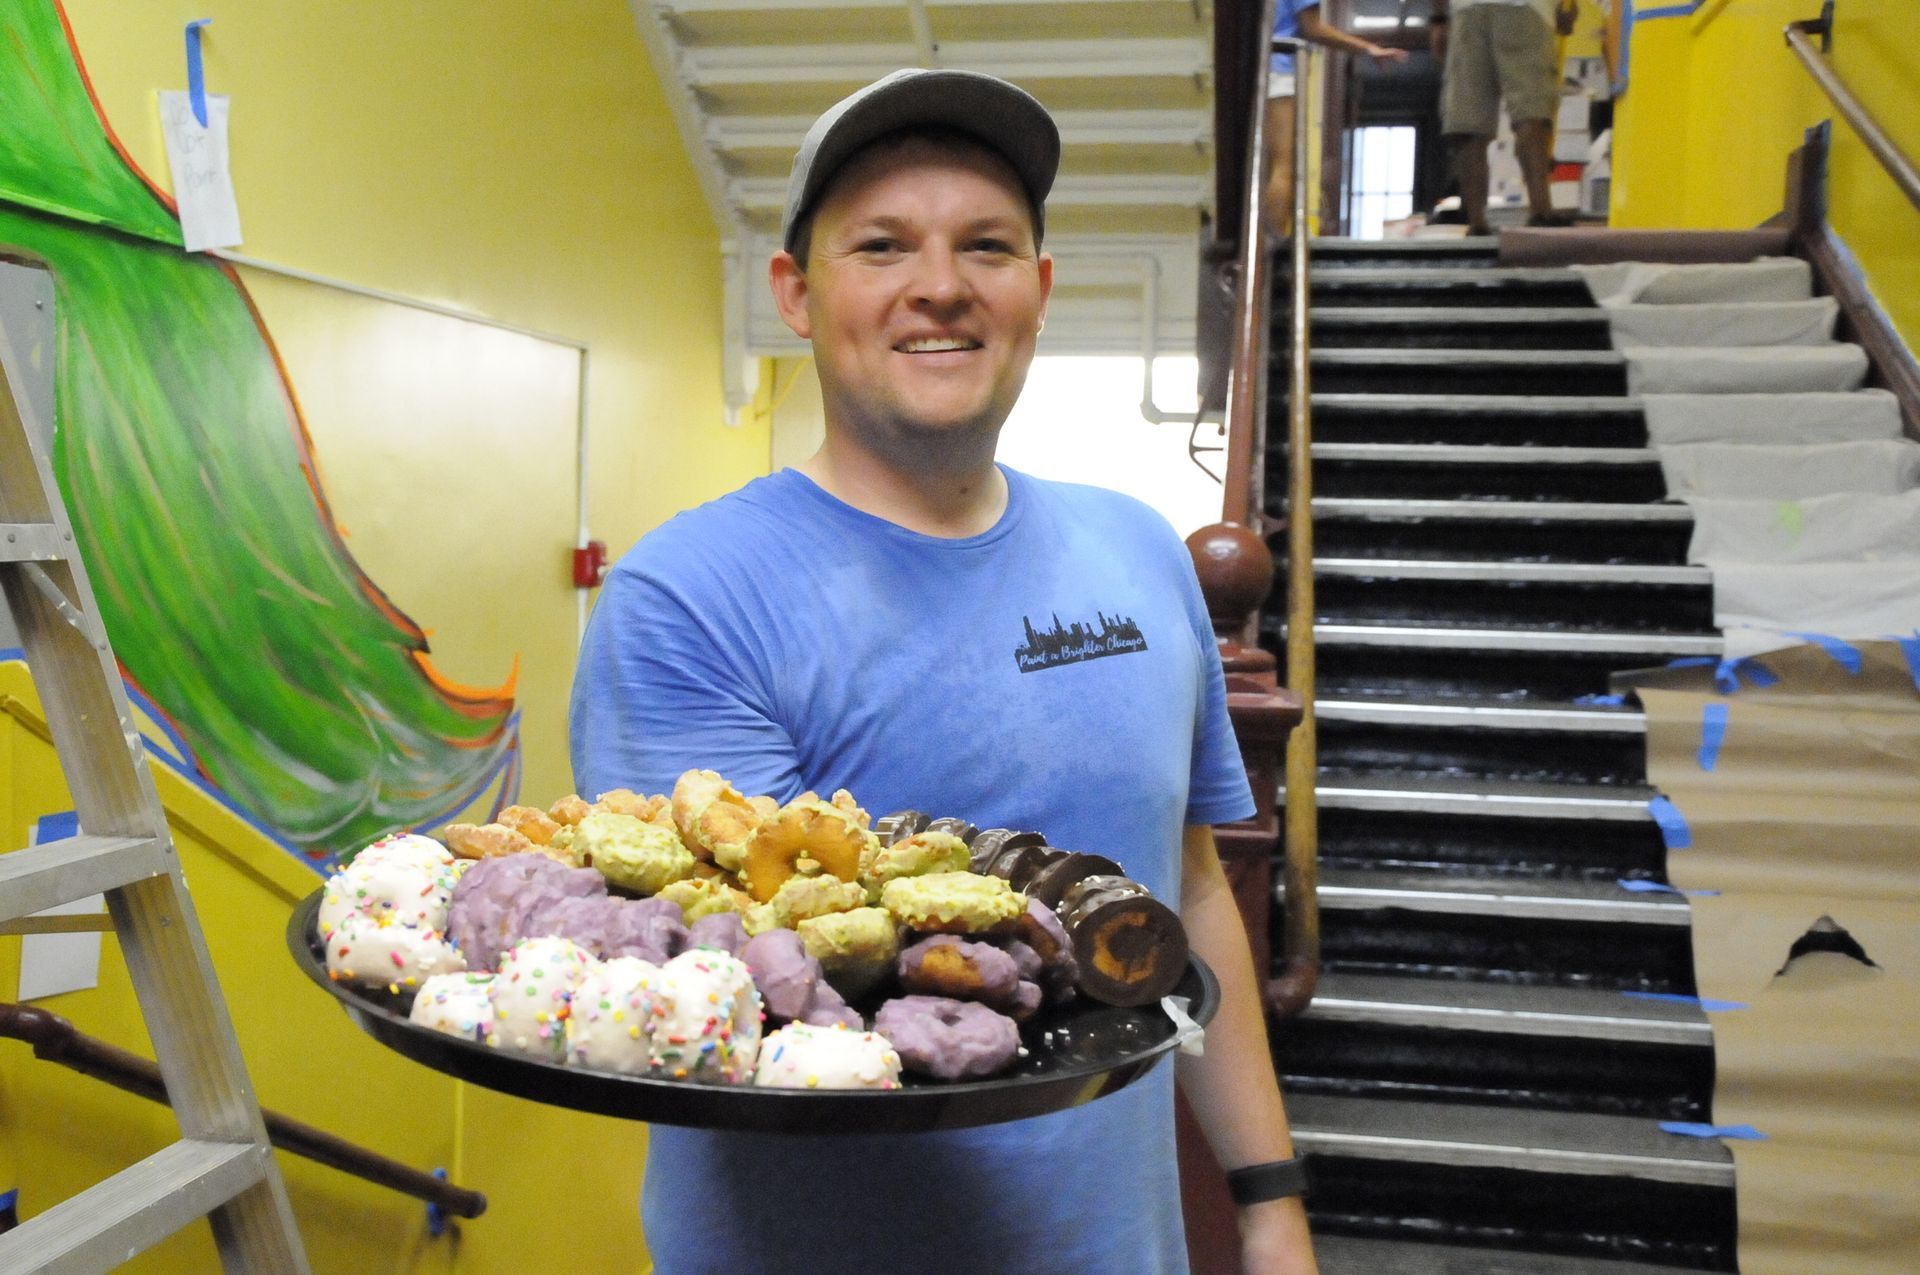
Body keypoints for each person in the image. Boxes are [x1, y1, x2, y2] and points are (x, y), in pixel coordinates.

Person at [570, 68, 1319, 1275]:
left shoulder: (1139, 547)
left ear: (1039, 290)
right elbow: (757, 984)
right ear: (796, 293)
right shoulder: (689, 598)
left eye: (988, 246)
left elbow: (1188, 894)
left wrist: (1268, 1199)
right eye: (881, 245)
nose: (941, 285)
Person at [1431, 0, 1580, 234]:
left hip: (1467, 10)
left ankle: (1477, 222)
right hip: (1526, 8)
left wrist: (1439, 19)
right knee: (1531, 111)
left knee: (1468, 121)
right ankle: (1540, 210)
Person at [1265, 2, 1409, 231]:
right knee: (1285, 168)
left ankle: (1260, 248)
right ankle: (1266, 252)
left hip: (1256, 66)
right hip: (1280, 68)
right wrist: (1367, 48)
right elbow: (1313, 28)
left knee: (1268, 166)